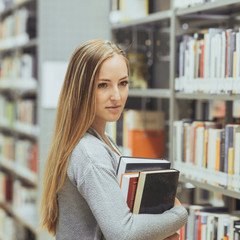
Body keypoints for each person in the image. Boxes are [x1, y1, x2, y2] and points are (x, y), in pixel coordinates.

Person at [40, 39, 188, 240]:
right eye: (103, 85)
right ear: (81, 89)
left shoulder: (102, 139)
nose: (117, 96)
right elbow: (123, 233)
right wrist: (179, 215)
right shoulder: (90, 152)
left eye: (123, 83)